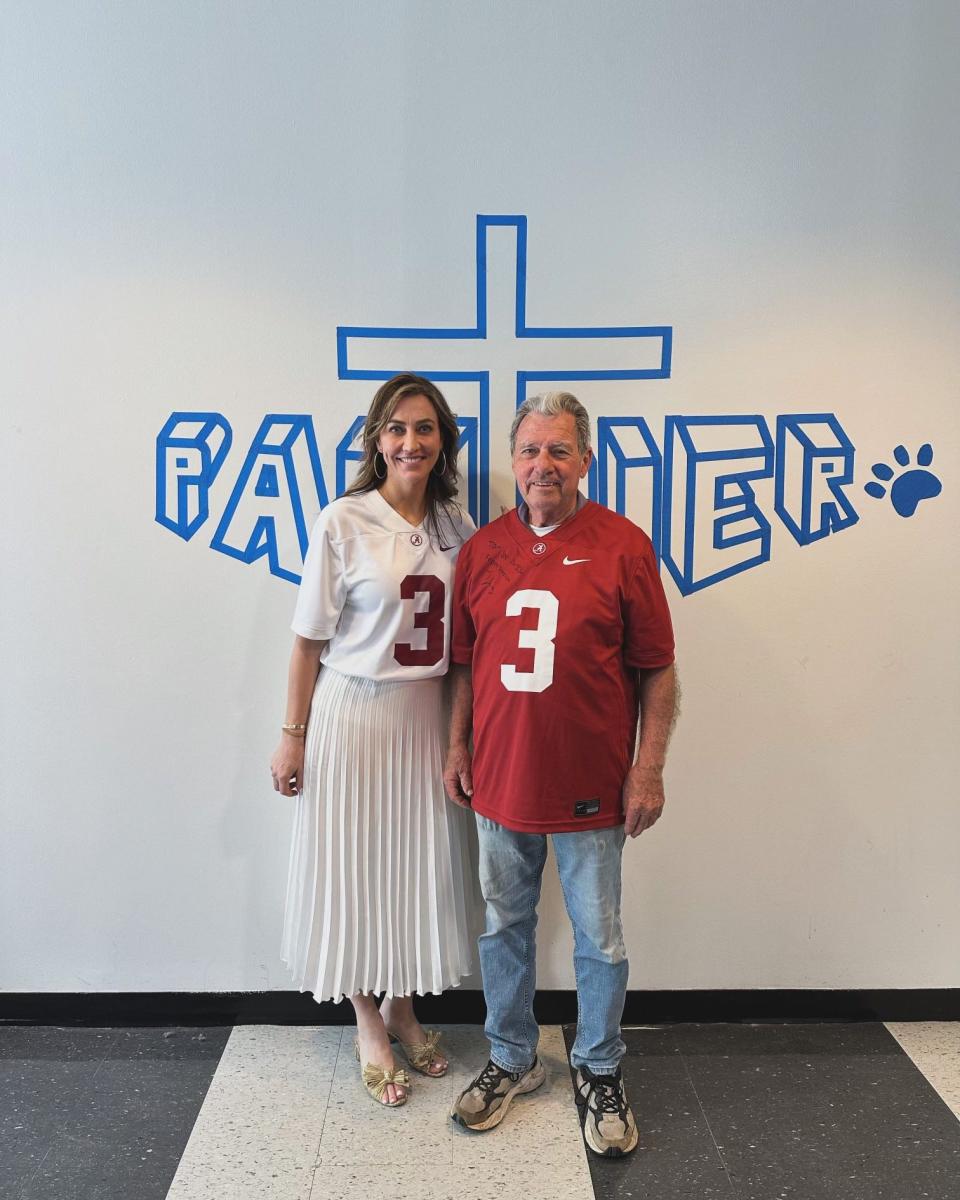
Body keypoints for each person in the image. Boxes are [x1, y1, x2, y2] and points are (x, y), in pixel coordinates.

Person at [444, 391, 677, 1156]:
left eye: (559, 450)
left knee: (599, 939)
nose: (542, 465)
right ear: (513, 460)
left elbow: (657, 671)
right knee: (503, 928)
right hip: (500, 786)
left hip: (593, 791)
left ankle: (600, 1068)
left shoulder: (623, 545)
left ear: (585, 459)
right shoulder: (481, 550)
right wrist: (457, 747)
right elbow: (467, 666)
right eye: (530, 450)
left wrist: (648, 770)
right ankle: (511, 1058)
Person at [271, 373, 477, 1108]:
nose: (410, 442)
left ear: (443, 440)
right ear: (376, 440)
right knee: (354, 869)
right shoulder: (343, 520)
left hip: (425, 719)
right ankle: (367, 1019)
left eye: (424, 429)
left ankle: (404, 1007)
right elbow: (305, 643)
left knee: (412, 867)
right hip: (352, 715)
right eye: (396, 429)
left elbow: (465, 652)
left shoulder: (461, 528)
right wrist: (291, 736)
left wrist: (463, 739)